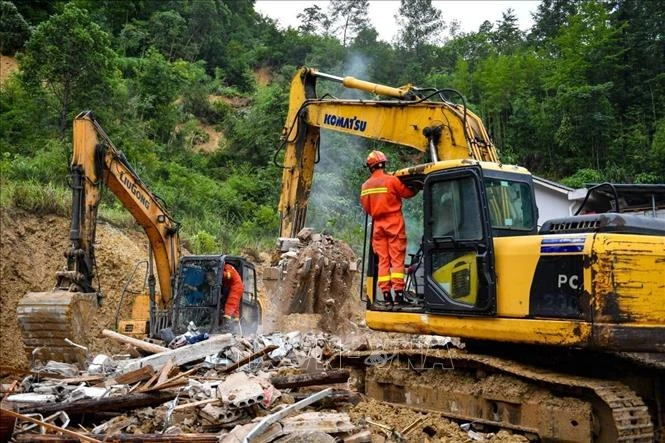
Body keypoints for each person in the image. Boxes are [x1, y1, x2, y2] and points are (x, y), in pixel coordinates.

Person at [360, 150, 417, 308]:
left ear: (370, 167)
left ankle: (387, 297)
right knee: (396, 259)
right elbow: (407, 193)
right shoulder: (391, 180)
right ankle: (398, 296)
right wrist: (417, 188)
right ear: (383, 164)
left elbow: (367, 208)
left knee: (383, 261)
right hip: (393, 223)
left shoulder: (365, 186)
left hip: (378, 225)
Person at [220, 263, 243, 331]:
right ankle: (235, 325)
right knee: (235, 308)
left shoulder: (228, 267)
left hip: (236, 287)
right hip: (237, 287)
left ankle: (226, 327)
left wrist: (219, 273)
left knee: (230, 305)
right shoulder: (228, 268)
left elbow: (228, 276)